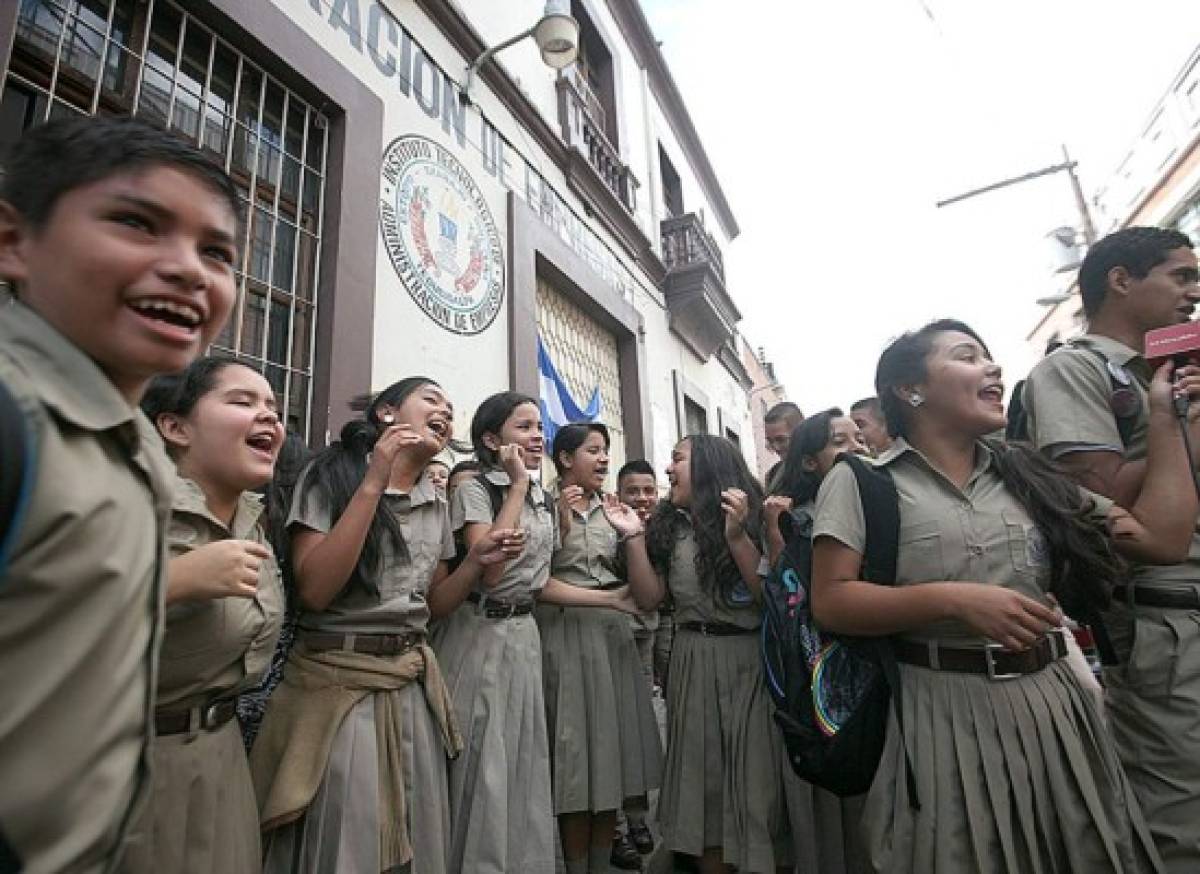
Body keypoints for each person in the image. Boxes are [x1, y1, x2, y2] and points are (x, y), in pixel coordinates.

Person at [811, 318, 1200, 874]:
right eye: (967, 357)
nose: (992, 367)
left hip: (1053, 706)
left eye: (991, 357)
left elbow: (1161, 539)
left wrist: (1167, 420)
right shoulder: (862, 482)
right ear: (909, 388)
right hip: (939, 713)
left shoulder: (1030, 476)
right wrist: (953, 599)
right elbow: (833, 600)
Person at [0, 116, 239, 873]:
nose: (188, 271)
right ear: (12, 242)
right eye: (137, 223)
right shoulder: (14, 419)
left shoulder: (125, 440)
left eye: (217, 253)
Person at [251, 378, 524, 874]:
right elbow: (314, 590)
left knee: (414, 839)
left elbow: (434, 604)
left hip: (408, 683)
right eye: (432, 399)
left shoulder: (434, 500)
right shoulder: (329, 475)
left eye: (450, 405)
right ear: (387, 414)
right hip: (339, 688)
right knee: (349, 840)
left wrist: (473, 564)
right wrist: (373, 482)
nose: (445, 410)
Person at [1021, 227, 1200, 872]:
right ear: (1121, 280)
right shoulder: (1076, 372)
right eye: (1180, 276)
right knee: (1183, 826)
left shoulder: (1175, 372)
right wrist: (1179, 424)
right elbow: (1096, 506)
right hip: (1165, 622)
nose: (1194, 294)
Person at [433, 394, 636, 874]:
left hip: (525, 636)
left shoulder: (548, 500)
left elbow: (540, 580)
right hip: (480, 634)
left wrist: (610, 598)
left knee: (524, 762)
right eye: (523, 427)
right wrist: (520, 486)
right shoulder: (476, 488)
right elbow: (492, 570)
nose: (536, 435)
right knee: (484, 764)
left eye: (538, 426)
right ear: (491, 439)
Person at [121, 356, 285, 874]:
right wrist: (170, 582)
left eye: (274, 408)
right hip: (132, 769)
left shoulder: (253, 520)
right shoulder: (129, 505)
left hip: (223, 757)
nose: (269, 419)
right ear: (174, 426)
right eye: (242, 402)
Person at [630, 435, 793, 873]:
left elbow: (769, 598)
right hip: (691, 659)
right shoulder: (668, 527)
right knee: (703, 784)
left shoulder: (758, 518)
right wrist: (631, 538)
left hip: (749, 662)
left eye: (677, 459)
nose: (667, 470)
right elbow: (649, 599)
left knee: (755, 780)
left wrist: (738, 536)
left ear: (707, 468)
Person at [539, 425, 663, 873]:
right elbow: (529, 582)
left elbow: (646, 595)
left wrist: (633, 536)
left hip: (614, 642)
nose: (604, 458)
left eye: (606, 450)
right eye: (593, 450)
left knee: (611, 762)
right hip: (565, 639)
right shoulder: (539, 504)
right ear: (566, 457)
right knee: (576, 768)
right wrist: (560, 523)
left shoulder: (614, 510)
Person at [761, 409, 872, 874]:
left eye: (859, 439)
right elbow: (786, 600)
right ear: (809, 462)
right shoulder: (798, 520)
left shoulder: (887, 501)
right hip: (825, 675)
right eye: (840, 443)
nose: (857, 450)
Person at [612, 458, 662, 866]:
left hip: (650, 635)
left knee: (637, 729)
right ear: (619, 492)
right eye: (634, 491)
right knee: (609, 732)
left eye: (649, 491)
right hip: (610, 635)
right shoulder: (609, 524)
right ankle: (612, 826)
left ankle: (637, 817)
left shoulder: (663, 528)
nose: (642, 499)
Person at [763, 401, 804, 491]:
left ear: (801, 433)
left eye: (781, 439)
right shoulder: (772, 475)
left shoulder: (820, 469)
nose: (775, 447)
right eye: (770, 441)